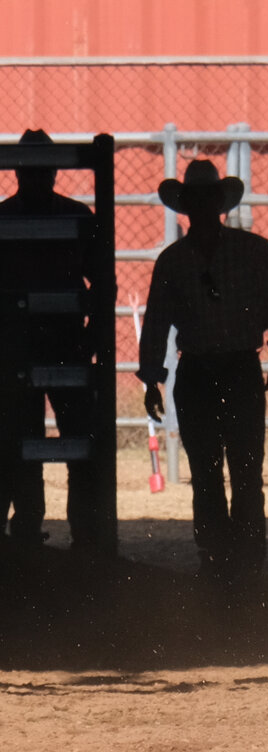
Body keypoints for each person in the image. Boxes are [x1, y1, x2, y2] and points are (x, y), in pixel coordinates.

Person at [138, 159, 268, 576]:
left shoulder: (244, 252)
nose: (204, 207)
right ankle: (219, 557)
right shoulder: (195, 258)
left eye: (208, 199)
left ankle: (243, 558)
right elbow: (155, 321)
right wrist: (152, 377)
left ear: (217, 203)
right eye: (197, 200)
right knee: (209, 471)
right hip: (207, 371)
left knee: (244, 469)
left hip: (234, 368)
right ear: (188, 205)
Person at [0, 128, 102, 552]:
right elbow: (103, 285)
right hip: (62, 345)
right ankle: (85, 534)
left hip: (21, 346)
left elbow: (103, 286)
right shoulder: (77, 217)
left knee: (18, 439)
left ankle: (28, 530)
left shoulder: (4, 218)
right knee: (71, 437)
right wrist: (90, 339)